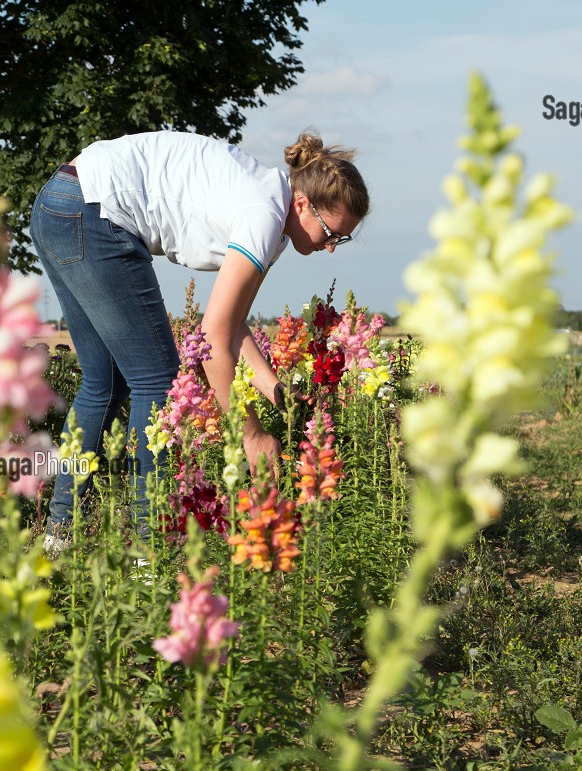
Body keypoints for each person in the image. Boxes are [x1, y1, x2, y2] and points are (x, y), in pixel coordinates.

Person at [30, 129, 369, 551]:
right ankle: (146, 557)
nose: (332, 247)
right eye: (330, 232)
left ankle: (58, 541)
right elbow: (211, 339)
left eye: (343, 238)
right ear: (302, 204)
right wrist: (251, 435)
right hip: (93, 211)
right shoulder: (263, 216)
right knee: (158, 382)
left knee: (105, 382)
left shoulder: (273, 214)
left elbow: (233, 321)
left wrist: (271, 385)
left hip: (60, 202)